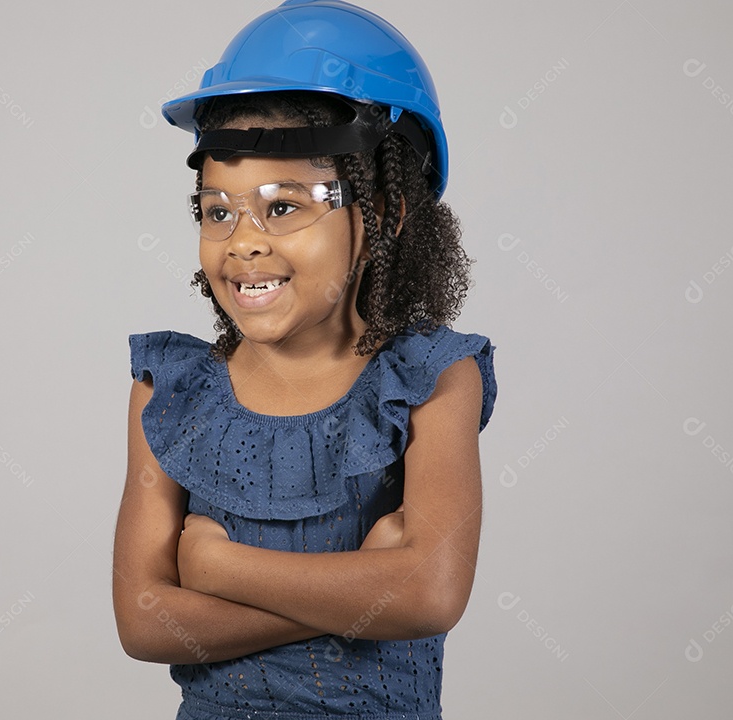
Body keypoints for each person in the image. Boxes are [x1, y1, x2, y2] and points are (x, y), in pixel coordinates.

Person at [113, 1, 498, 718]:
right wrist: (366, 585)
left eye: (284, 207)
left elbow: (429, 594)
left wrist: (216, 567)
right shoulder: (171, 395)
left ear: (383, 211)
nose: (243, 241)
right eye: (216, 210)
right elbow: (144, 622)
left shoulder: (429, 381)